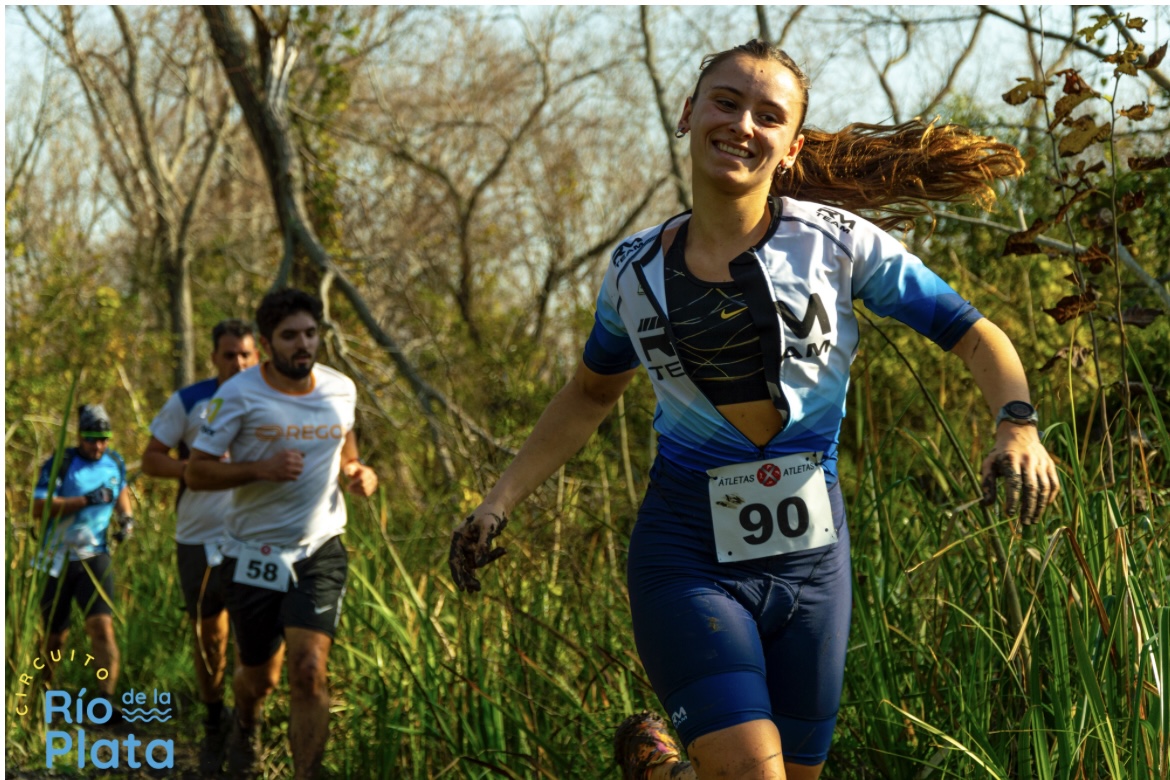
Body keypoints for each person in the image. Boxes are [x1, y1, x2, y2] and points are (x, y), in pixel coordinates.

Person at [449, 39, 1060, 780]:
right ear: (688, 113)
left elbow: (973, 334)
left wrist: (1017, 423)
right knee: (751, 774)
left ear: (791, 146)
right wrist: (498, 503)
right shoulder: (633, 271)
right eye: (726, 101)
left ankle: (660, 771)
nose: (742, 124)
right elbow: (588, 394)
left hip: (812, 567)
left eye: (768, 116)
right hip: (686, 557)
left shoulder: (837, 244)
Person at [185, 288, 378, 780]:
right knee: (259, 678)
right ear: (268, 343)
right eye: (290, 336)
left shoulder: (340, 389)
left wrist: (358, 473)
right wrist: (260, 469)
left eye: (311, 334)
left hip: (319, 548)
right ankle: (243, 726)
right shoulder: (239, 394)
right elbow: (197, 474)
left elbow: (346, 450)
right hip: (252, 552)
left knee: (309, 673)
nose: (303, 345)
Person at [141, 319, 259, 773]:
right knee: (209, 634)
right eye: (229, 354)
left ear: (258, 355)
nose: (238, 362)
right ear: (214, 357)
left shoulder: (269, 399)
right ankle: (214, 720)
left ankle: (249, 730)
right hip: (197, 536)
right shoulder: (189, 401)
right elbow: (152, 459)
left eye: (246, 354)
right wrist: (191, 469)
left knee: (254, 638)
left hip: (252, 537)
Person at [32, 403, 134, 706]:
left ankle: (107, 699)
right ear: (80, 436)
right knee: (55, 636)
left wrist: (126, 520)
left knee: (101, 627)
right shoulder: (60, 464)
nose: (98, 446)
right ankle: (42, 694)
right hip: (57, 559)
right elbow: (39, 508)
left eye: (104, 439)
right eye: (92, 439)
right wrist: (84, 501)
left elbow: (121, 491)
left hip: (95, 555)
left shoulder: (114, 462)